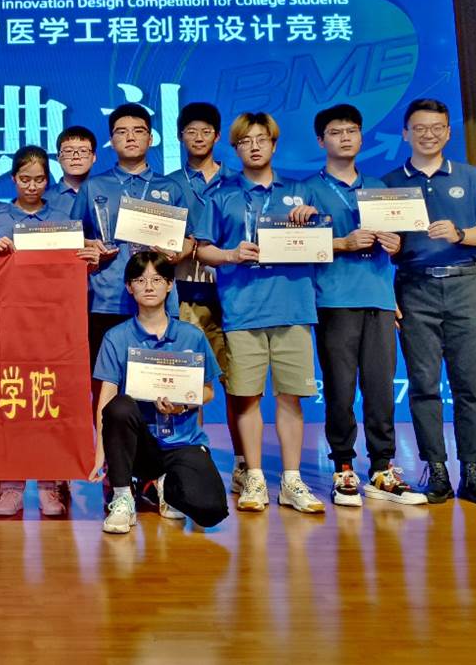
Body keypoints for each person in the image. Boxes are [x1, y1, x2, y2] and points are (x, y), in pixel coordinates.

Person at [192, 112, 326, 515]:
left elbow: (323, 240)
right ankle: (253, 476)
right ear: (234, 148)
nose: (254, 146)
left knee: (290, 398)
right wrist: (231, 255)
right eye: (245, 141)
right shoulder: (222, 194)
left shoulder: (300, 191)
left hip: (293, 307)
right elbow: (203, 249)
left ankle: (291, 479)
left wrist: (312, 219)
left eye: (261, 139)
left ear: (274, 143)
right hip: (243, 309)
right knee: (246, 398)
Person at [382, 98, 476, 507]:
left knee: (468, 384)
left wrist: (459, 234)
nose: (428, 135)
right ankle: (435, 469)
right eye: (419, 128)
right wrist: (389, 250)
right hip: (414, 289)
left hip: (465, 286)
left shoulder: (470, 177)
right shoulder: (389, 183)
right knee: (423, 384)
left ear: (449, 132)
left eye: (437, 127)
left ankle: (472, 470)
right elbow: (381, 249)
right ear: (405, 133)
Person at [305, 104, 426, 507]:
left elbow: (402, 242)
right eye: (335, 132)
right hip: (334, 300)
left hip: (378, 298)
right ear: (321, 141)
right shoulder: (307, 190)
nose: (345, 138)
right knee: (339, 390)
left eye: (352, 130)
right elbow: (293, 246)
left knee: (379, 388)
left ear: (360, 136)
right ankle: (343, 465)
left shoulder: (379, 188)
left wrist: (396, 243)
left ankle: (382, 467)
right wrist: (340, 242)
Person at [0, 145, 99, 517]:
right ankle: (11, 487)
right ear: (13, 178)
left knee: (51, 403)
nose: (32, 186)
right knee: (12, 403)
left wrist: (90, 258)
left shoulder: (63, 216)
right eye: (25, 179)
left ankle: (50, 485)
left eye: (40, 179)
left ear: (48, 180)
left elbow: (78, 264)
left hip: (55, 325)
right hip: (10, 324)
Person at [90, 252, 228, 533]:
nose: (149, 287)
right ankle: (122, 496)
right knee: (119, 406)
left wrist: (182, 405)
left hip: (181, 441)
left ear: (169, 285)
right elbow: (106, 398)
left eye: (156, 280)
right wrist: (100, 454)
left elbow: (208, 392)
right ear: (129, 287)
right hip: (139, 446)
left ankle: (163, 484)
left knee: (211, 510)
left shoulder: (192, 336)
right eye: (140, 280)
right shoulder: (116, 337)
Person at [70, 103, 191, 374]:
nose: (131, 137)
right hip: (106, 299)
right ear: (111, 141)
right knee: (105, 381)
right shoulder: (94, 186)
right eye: (122, 132)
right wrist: (88, 246)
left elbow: (189, 239)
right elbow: (73, 237)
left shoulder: (170, 187)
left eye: (138, 131)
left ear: (151, 138)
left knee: (157, 380)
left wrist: (177, 254)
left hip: (159, 299)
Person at [162, 102, 237, 447]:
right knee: (189, 379)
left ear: (218, 136)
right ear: (180, 137)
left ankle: (242, 461)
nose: (198, 137)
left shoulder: (236, 181)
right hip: (185, 291)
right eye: (191, 131)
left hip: (233, 291)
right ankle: (193, 451)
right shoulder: (167, 185)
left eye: (206, 131)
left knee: (237, 382)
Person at [48, 125, 98, 214]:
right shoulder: (44, 199)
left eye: (83, 151)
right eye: (68, 151)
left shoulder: (106, 193)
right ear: (58, 157)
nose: (75, 157)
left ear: (94, 157)